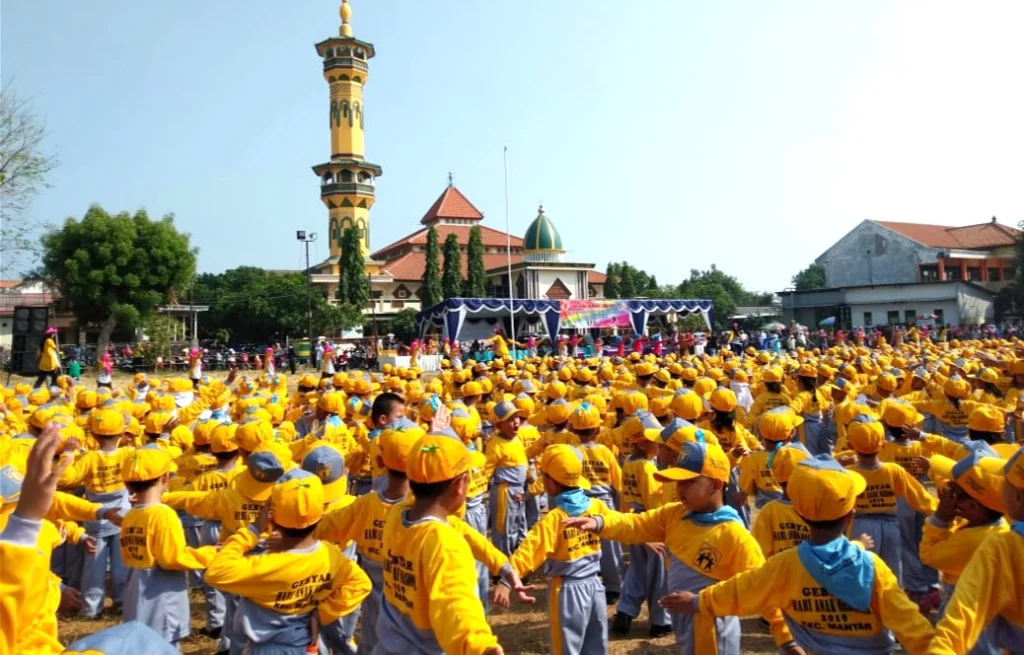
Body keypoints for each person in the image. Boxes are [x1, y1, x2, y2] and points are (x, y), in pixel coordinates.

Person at [662, 454, 935, 654]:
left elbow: (742, 588)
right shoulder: (872, 567)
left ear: (800, 514)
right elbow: (910, 624)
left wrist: (699, 602)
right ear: (851, 515)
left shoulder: (785, 565)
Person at [563, 441, 792, 653]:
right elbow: (637, 524)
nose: (680, 488)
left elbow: (762, 586)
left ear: (716, 484)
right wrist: (600, 522)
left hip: (711, 629)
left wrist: (785, 638)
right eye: (679, 481)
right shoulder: (676, 514)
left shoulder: (733, 534)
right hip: (684, 620)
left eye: (689, 481)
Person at [204, 469, 372, 654]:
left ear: (271, 516)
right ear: (322, 513)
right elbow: (361, 583)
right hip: (307, 646)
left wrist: (252, 531)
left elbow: (215, 573)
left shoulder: (266, 565)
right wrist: (322, 613)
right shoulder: (331, 555)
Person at [372, 433, 506, 654]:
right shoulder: (445, 544)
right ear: (459, 485)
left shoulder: (397, 514)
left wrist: (501, 563)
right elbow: (455, 604)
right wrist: (480, 646)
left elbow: (457, 525)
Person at [497, 445, 610, 654]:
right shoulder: (596, 506)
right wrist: (645, 539)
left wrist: (506, 579)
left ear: (551, 483)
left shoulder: (554, 519)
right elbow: (621, 524)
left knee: (566, 648)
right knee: (596, 646)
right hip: (595, 586)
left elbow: (529, 550)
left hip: (567, 591)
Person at [926, 449, 1024, 654]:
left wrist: (939, 522)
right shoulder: (999, 528)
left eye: (955, 492)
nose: (948, 492)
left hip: (974, 615)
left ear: (1018, 497)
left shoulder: (999, 545)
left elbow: (928, 554)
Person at [119, 444, 217, 645]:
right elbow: (172, 559)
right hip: (160, 593)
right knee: (164, 644)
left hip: (136, 589)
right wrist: (210, 554)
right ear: (165, 479)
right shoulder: (163, 514)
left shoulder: (130, 515)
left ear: (128, 485)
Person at [486, 400, 529, 557]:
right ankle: (503, 564)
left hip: (519, 490)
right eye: (510, 419)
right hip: (505, 491)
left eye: (516, 417)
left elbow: (522, 459)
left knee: (519, 524)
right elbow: (486, 471)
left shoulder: (516, 439)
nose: (516, 422)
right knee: (504, 528)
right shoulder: (495, 444)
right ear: (499, 425)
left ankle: (517, 561)